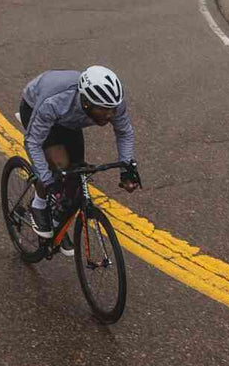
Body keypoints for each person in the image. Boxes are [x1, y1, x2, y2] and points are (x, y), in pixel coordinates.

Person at [18, 66, 141, 242]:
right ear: (86, 102)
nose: (110, 115)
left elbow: (124, 132)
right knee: (60, 165)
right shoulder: (55, 101)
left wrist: (127, 170)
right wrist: (46, 181)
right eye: (104, 109)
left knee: (75, 175)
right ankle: (38, 204)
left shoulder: (114, 102)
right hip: (35, 107)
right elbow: (33, 143)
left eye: (112, 109)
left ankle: (55, 226)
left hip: (69, 121)